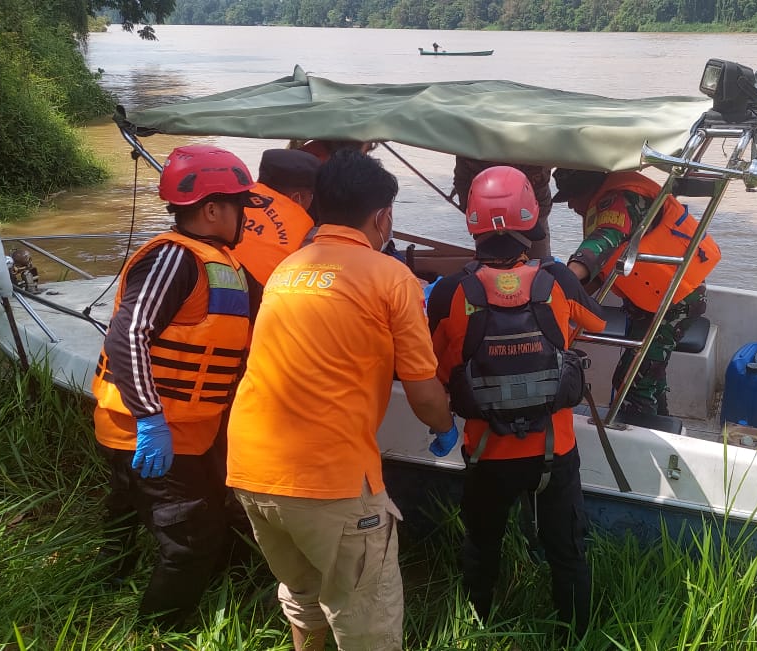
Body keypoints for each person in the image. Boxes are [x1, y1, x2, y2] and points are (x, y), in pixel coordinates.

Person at [226, 149, 457, 651]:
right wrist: (445, 427)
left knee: (305, 595)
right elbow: (422, 390)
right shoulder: (389, 276)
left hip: (251, 469)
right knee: (366, 618)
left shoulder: (287, 269)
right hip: (331, 480)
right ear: (382, 217)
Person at [91, 144, 269, 628]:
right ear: (212, 209)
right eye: (239, 207)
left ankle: (104, 586)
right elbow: (130, 332)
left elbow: (271, 308)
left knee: (128, 510)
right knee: (192, 539)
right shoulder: (173, 258)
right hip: (149, 428)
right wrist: (150, 417)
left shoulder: (222, 263)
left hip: (184, 430)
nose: (245, 220)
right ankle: (158, 631)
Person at [427, 166, 606, 636]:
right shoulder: (559, 280)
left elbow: (438, 366)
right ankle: (576, 636)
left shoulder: (449, 293)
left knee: (481, 546)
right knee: (567, 553)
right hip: (554, 452)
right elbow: (598, 324)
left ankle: (477, 626)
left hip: (487, 454)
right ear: (532, 220)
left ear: (471, 221)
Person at [552, 168, 720, 421]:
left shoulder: (619, 200)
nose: (571, 206)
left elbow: (601, 243)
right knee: (648, 371)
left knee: (632, 380)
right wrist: (563, 301)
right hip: (653, 300)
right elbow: (598, 273)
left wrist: (556, 284)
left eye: (572, 197)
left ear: (589, 189)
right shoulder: (612, 196)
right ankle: (660, 419)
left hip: (675, 302)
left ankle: (640, 434)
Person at [230, 148, 320, 287]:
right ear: (297, 198)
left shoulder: (230, 200)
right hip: (258, 304)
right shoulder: (307, 236)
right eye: (311, 196)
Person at [453, 157, 553, 259]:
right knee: (540, 260)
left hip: (490, 208)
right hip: (488, 208)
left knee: (539, 258)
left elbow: (462, 181)